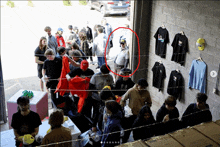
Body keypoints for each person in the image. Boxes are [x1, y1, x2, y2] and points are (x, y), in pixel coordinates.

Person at [120, 78, 152, 143]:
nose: (142, 89)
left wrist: (145, 109)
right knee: (127, 131)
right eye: (142, 87)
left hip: (140, 116)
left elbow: (149, 103)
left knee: (138, 131)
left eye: (144, 87)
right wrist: (123, 109)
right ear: (138, 85)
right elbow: (123, 100)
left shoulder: (146, 93)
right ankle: (124, 143)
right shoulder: (131, 91)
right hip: (131, 115)